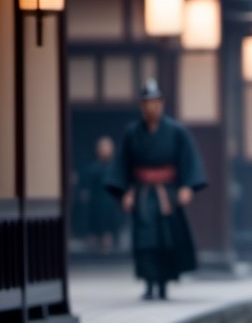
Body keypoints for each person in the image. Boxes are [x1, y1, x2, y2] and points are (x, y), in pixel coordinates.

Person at [107, 79, 207, 300]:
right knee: (145, 240)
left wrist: (187, 187)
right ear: (142, 105)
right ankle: (149, 283)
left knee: (166, 240)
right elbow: (123, 165)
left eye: (154, 102)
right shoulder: (132, 133)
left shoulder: (176, 132)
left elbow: (189, 160)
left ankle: (163, 284)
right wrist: (125, 192)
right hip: (142, 193)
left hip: (167, 194)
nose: (150, 107)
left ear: (161, 103)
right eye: (146, 103)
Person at [76, 136, 124, 252]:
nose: (104, 150)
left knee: (110, 228)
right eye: (101, 147)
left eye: (106, 147)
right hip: (95, 204)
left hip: (112, 205)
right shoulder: (92, 168)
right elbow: (85, 187)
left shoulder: (117, 167)